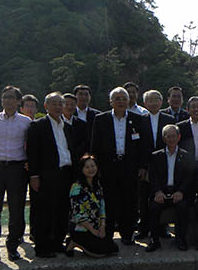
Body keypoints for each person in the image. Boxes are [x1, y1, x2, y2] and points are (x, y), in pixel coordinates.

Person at [90, 87, 149, 245]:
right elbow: (94, 146)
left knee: (129, 202)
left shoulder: (138, 119)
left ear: (128, 100)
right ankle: (107, 234)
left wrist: (143, 166)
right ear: (111, 102)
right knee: (109, 202)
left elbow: (143, 146)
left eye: (124, 98)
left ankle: (127, 234)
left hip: (130, 167)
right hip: (108, 167)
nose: (121, 101)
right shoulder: (101, 119)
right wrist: (96, 168)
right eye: (117, 98)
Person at [0, 85, 30, 264]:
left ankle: (13, 247)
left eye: (10, 97)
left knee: (17, 211)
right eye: (4, 97)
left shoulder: (26, 122)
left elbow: (28, 146)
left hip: (17, 170)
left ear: (18, 101)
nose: (7, 101)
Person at [26, 92, 76, 257]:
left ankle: (57, 243)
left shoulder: (68, 126)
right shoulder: (37, 126)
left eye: (60, 104)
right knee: (44, 212)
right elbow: (32, 153)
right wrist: (34, 176)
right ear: (46, 106)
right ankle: (41, 246)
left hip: (66, 173)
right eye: (53, 103)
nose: (57, 107)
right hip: (46, 175)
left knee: (62, 210)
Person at [146, 125, 195, 252]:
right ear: (164, 138)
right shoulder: (156, 156)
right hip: (161, 192)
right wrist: (157, 192)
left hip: (178, 192)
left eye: (174, 136)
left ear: (179, 137)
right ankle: (154, 240)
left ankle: (180, 239)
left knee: (183, 207)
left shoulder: (187, 156)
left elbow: (189, 178)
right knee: (153, 207)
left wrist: (181, 192)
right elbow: (153, 177)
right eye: (168, 136)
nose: (171, 139)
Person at [137, 90, 176, 240]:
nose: (153, 103)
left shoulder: (169, 118)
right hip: (145, 165)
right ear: (145, 103)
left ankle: (162, 228)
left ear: (161, 102)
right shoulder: (140, 119)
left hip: (163, 163)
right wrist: (141, 165)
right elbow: (138, 144)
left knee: (162, 195)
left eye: (156, 100)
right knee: (144, 197)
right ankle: (143, 228)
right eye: (150, 100)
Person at [67, 154, 119, 257]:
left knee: (113, 249)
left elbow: (102, 208)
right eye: (87, 167)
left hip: (96, 225)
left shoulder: (97, 185)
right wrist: (93, 230)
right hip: (82, 228)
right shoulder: (76, 187)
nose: (91, 169)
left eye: (93, 166)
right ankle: (73, 241)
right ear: (82, 169)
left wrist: (102, 226)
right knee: (99, 253)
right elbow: (77, 213)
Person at [62, 93, 88, 161]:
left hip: (77, 160)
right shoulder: (57, 122)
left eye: (72, 105)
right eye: (66, 104)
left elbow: (85, 143)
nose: (69, 107)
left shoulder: (82, 124)